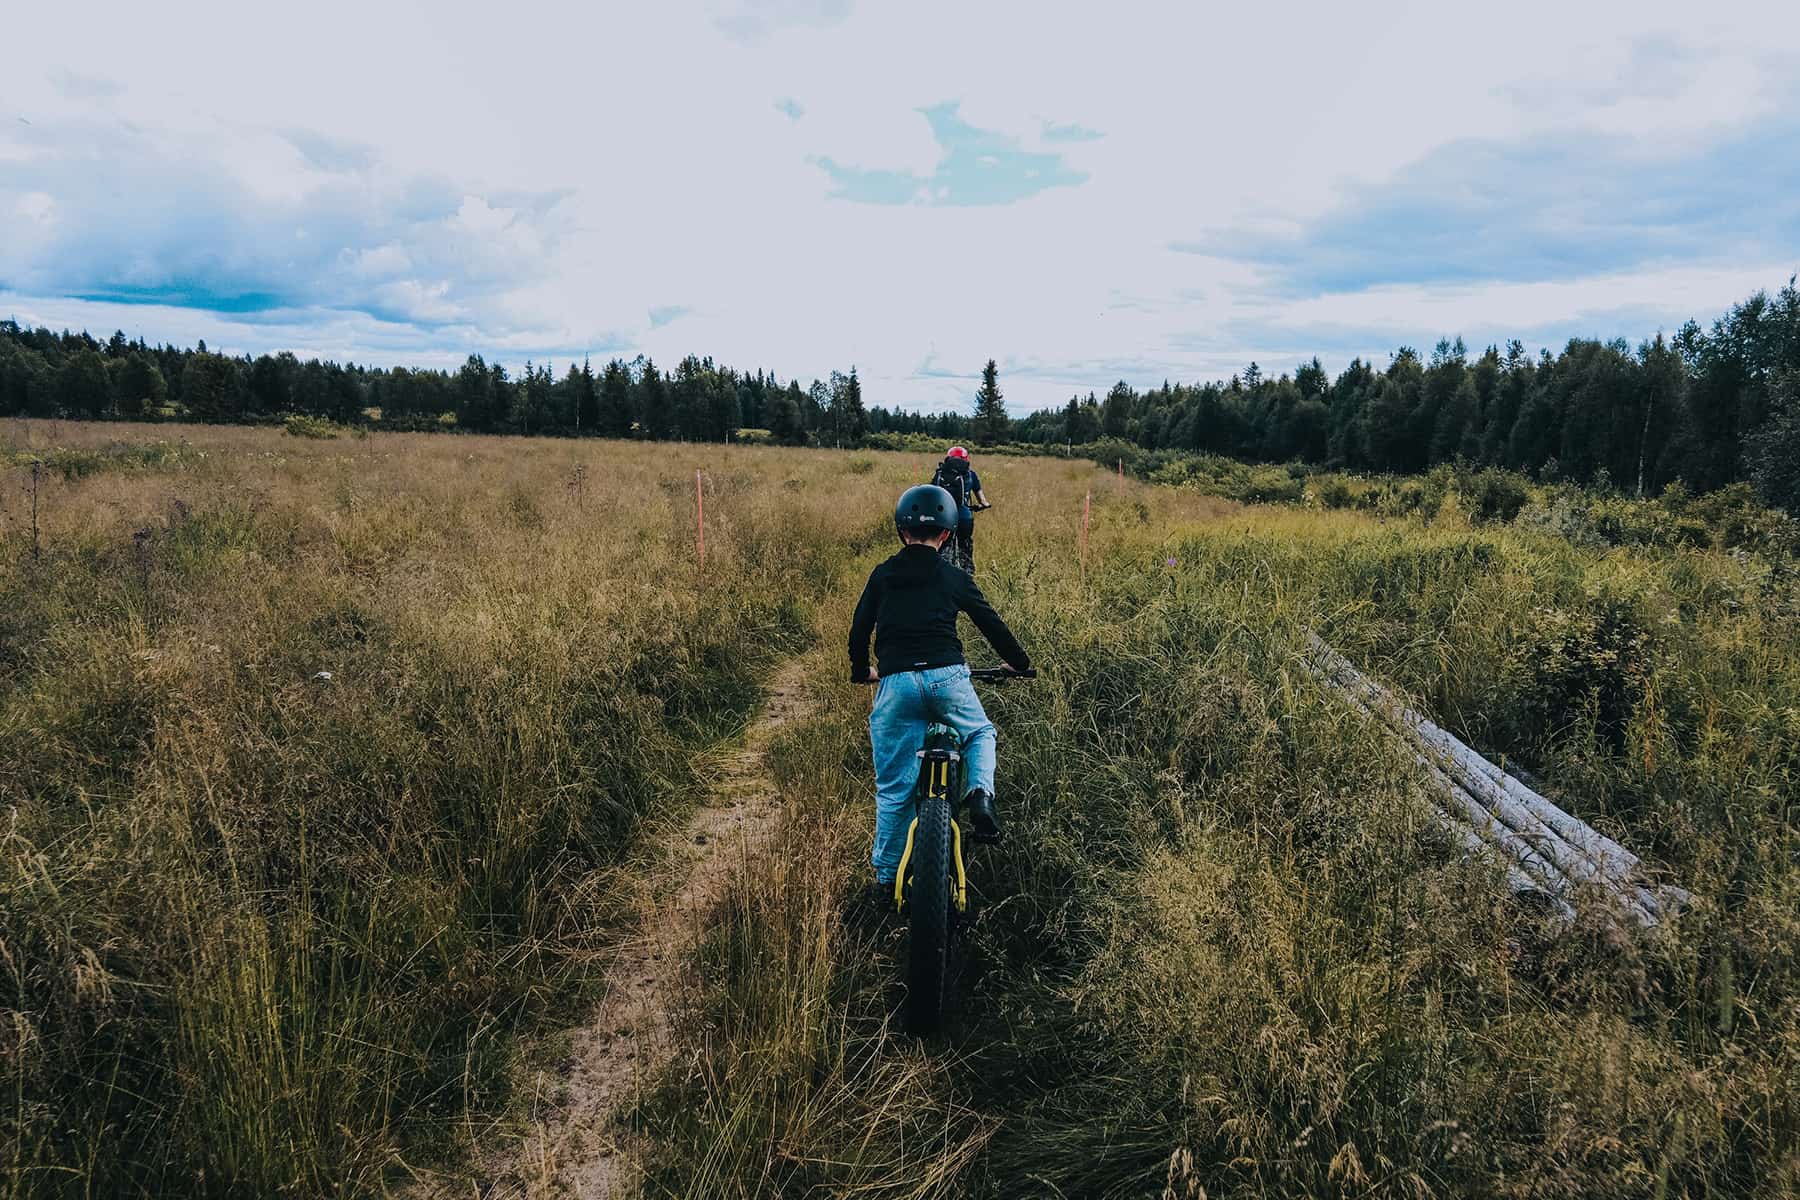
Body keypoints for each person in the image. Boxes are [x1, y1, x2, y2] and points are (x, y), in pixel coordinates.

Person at [849, 484, 1031, 903]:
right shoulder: (954, 576)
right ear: (947, 535)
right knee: (979, 734)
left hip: (895, 685)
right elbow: (992, 623)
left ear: (900, 531)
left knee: (895, 790)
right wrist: (1018, 664)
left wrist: (863, 672)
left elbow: (859, 632)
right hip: (948, 679)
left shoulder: (883, 574)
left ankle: (885, 881)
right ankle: (980, 795)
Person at [930, 446, 989, 572]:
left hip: (942, 517)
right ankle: (968, 573)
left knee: (939, 546)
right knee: (965, 546)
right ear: (966, 459)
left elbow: (932, 493)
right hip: (964, 518)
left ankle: (936, 571)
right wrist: (984, 505)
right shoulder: (971, 475)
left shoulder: (940, 474)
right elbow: (982, 499)